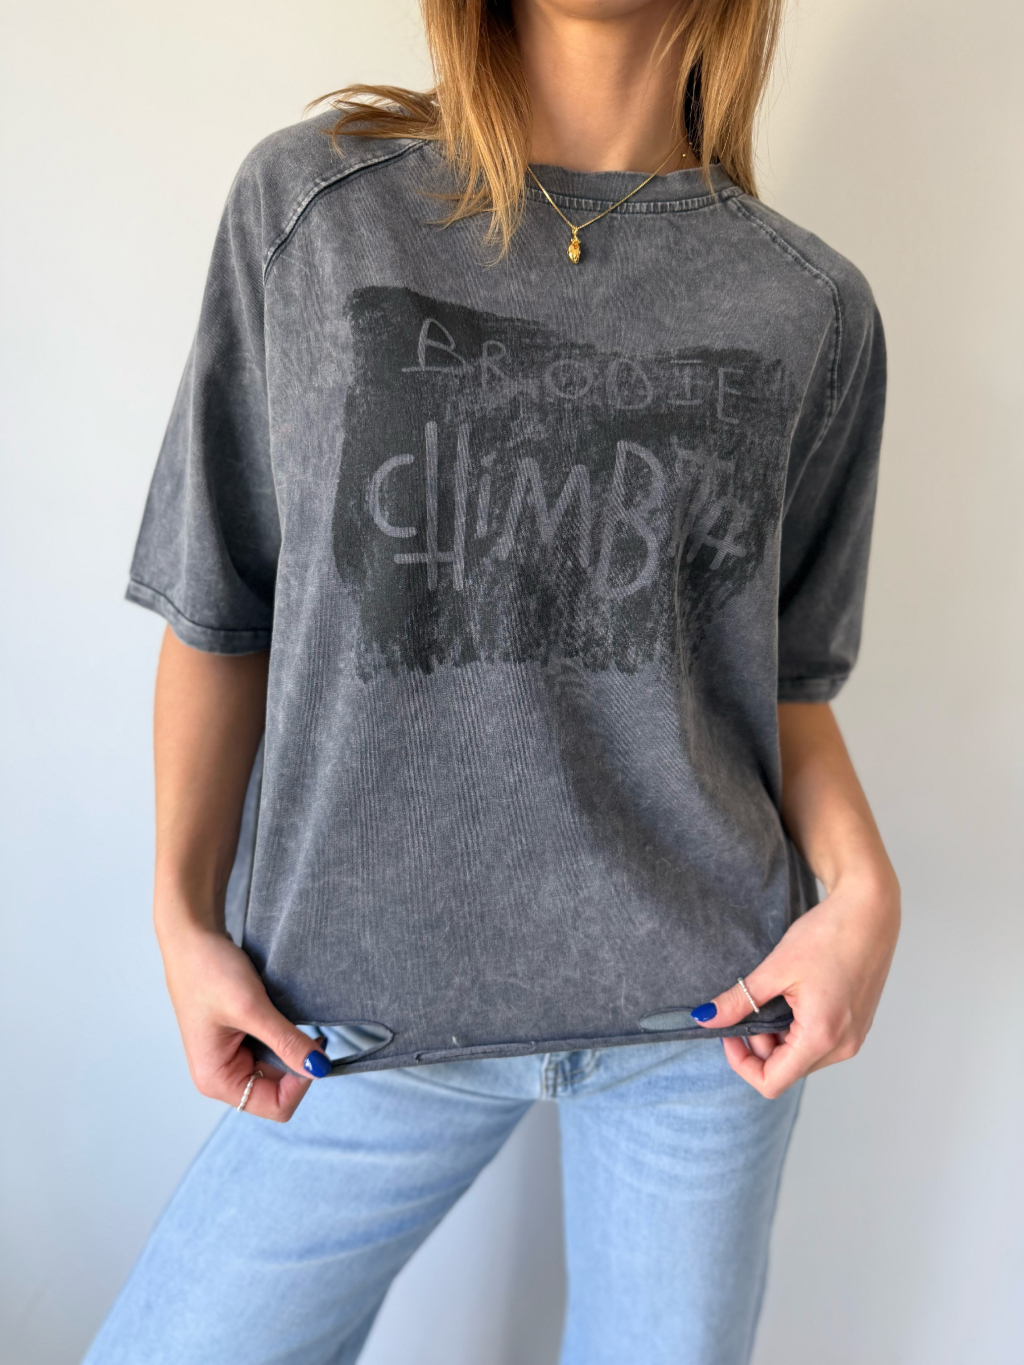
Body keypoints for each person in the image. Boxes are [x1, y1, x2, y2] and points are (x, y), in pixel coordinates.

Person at [83, 0, 900, 1361]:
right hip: (355, 1015)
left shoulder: (811, 307)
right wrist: (180, 918)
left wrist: (864, 888)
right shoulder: (317, 208)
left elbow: (781, 678)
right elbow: (220, 596)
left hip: (704, 1026)